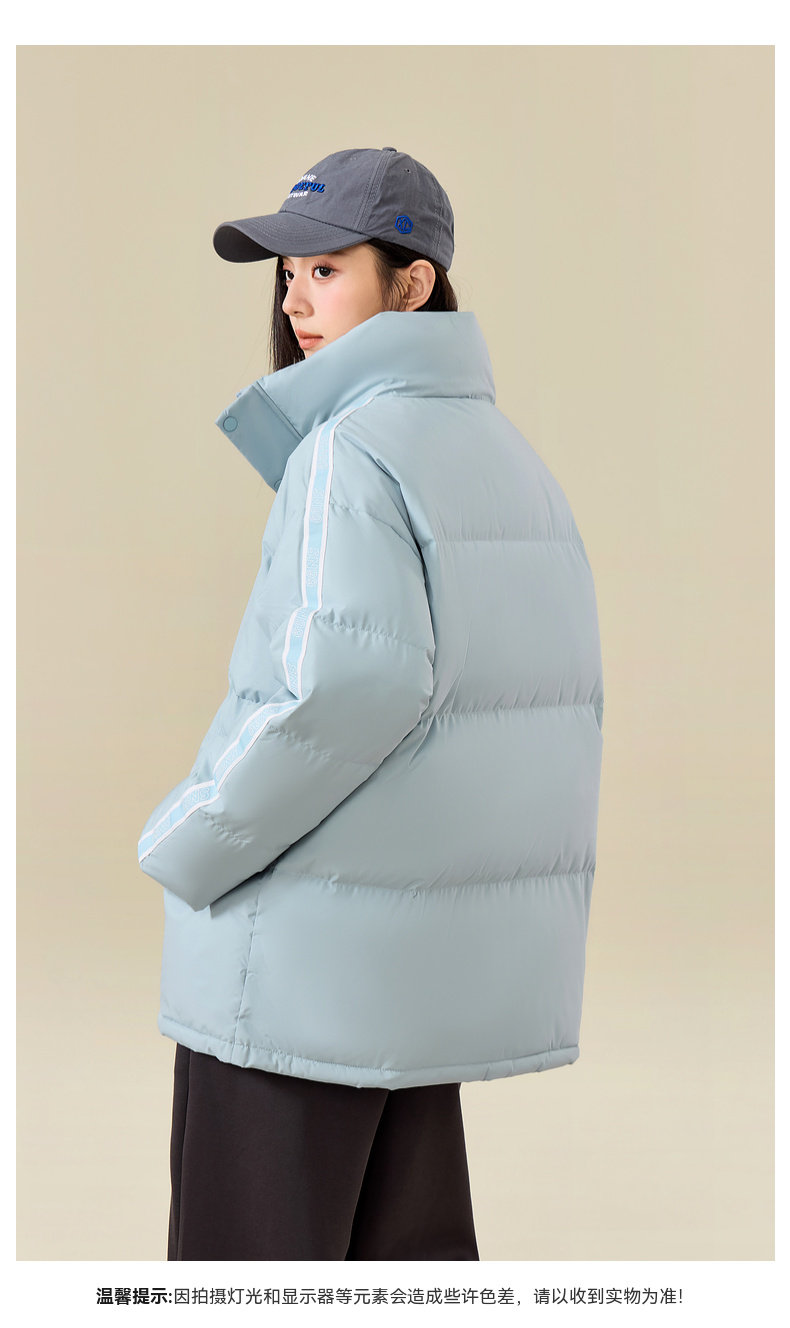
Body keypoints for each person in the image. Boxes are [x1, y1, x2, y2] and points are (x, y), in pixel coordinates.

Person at [138, 147, 605, 1261]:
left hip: (293, 978)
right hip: (410, 986)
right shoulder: (506, 456)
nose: (295, 301)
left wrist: (189, 835)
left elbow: (352, 682)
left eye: (326, 269)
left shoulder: (346, 448)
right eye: (287, 274)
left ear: (413, 283)